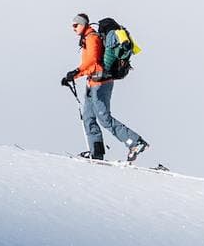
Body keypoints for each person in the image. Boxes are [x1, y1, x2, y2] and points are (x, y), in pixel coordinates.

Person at [62, 12, 148, 163]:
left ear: (84, 25)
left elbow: (93, 62)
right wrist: (74, 75)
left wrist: (74, 73)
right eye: (72, 25)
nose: (74, 28)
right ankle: (97, 154)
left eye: (76, 25)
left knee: (104, 118)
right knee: (88, 118)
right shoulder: (86, 39)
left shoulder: (92, 38)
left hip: (101, 84)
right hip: (92, 83)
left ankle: (136, 143)